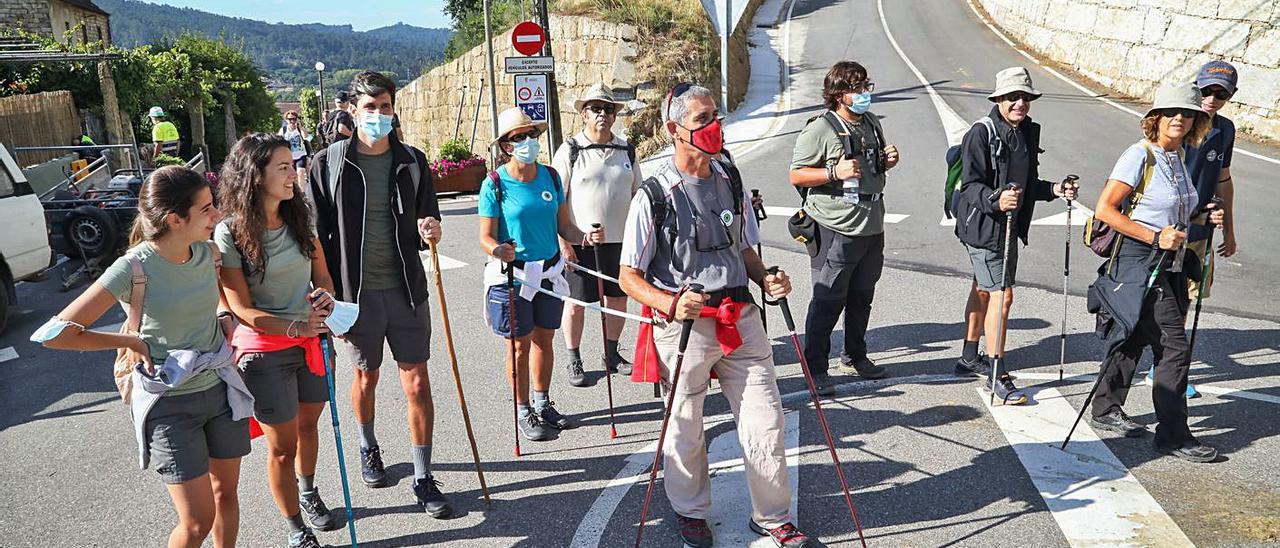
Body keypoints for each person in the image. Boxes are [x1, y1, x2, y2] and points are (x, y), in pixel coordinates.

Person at [620, 82, 817, 548]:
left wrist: (766, 276)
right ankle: (690, 512)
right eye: (702, 120)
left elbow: (745, 246)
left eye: (716, 118)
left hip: (740, 316)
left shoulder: (730, 177)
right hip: (684, 326)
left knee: (766, 418)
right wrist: (669, 303)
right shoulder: (654, 194)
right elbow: (628, 275)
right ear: (675, 130)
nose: (714, 128)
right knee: (685, 424)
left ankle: (772, 517)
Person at [34, 166, 250, 548]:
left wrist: (223, 315)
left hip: (219, 389)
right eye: (207, 209)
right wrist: (134, 343)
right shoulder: (132, 267)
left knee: (227, 497)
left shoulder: (206, 252)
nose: (217, 215)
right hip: (168, 404)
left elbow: (215, 294)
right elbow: (55, 336)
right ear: (174, 219)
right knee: (198, 521)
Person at [307, 70, 452, 517]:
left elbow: (430, 220)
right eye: (369, 108)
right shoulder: (328, 163)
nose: (378, 115)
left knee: (417, 382)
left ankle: (423, 476)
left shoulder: (411, 160)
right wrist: (323, 292)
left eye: (385, 107)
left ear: (393, 109)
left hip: (407, 290)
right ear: (352, 110)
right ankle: (369, 446)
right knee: (365, 377)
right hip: (355, 296)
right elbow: (314, 234)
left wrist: (432, 229)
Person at [1088, 82, 1223, 462]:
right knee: (1173, 346)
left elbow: (1175, 213)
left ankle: (1105, 407)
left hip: (1170, 261)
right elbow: (1105, 210)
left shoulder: (1177, 157)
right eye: (1171, 112)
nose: (1179, 118)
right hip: (1137, 259)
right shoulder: (1139, 155)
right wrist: (1153, 235)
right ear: (1156, 118)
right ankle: (1173, 435)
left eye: (1188, 113)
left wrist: (1201, 214)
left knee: (1134, 334)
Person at [216, 134, 339, 548]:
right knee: (282, 446)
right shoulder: (229, 233)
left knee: (308, 426)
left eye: (292, 165)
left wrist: (324, 295)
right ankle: (295, 528)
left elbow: (322, 275)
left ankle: (307, 493)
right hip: (266, 352)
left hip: (312, 342)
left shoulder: (298, 218)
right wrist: (294, 328)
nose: (293, 174)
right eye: (283, 167)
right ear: (255, 175)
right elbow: (241, 309)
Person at [949, 67, 1078, 404]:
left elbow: (1026, 183)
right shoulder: (982, 133)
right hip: (984, 225)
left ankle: (968, 356)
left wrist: (1054, 189)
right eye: (1012, 97)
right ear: (999, 99)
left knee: (983, 288)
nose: (1020, 102)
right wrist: (995, 199)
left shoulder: (1025, 133)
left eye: (1025, 97)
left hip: (1008, 226)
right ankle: (996, 372)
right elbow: (971, 185)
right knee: (1001, 295)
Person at [479, 106, 604, 441]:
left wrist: (584, 238)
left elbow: (564, 224)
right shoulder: (494, 184)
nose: (527, 141)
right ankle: (522, 410)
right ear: (506, 145)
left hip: (549, 271)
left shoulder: (550, 176)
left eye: (531, 134)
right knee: (519, 345)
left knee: (544, 339)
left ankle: (542, 401)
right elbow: (485, 236)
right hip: (514, 276)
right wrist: (497, 250)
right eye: (518, 137)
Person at [788, 61, 900, 395]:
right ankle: (815, 369)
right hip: (835, 225)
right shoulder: (820, 129)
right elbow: (796, 174)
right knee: (827, 299)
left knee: (862, 295)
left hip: (871, 222)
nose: (865, 94)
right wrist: (833, 173)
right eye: (858, 88)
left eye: (867, 86)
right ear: (839, 95)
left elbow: (872, 162)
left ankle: (854, 355)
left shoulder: (871, 123)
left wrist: (887, 159)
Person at [1142, 61, 1242, 393]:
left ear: (1230, 97)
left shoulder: (1225, 130)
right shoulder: (1178, 125)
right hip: (1167, 232)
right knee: (1159, 299)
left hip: (1200, 231)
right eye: (1207, 91)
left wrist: (1229, 229)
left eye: (1221, 94)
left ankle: (1167, 367)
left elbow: (1224, 181)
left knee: (1185, 300)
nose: (1212, 99)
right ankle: (1159, 363)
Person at [551, 84, 641, 387]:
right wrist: (564, 241)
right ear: (584, 114)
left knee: (617, 299)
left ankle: (612, 354)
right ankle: (574, 357)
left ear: (615, 115)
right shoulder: (571, 149)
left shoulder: (626, 149)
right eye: (595, 109)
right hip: (580, 242)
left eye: (608, 109)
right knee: (576, 302)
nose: (603, 114)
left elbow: (638, 194)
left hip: (621, 241)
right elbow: (555, 198)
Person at [278, 111, 313, 186]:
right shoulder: (283, 130)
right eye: (290, 119)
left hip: (301, 155)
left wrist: (301, 128)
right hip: (289, 157)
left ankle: (302, 193)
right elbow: (278, 142)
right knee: (293, 177)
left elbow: (308, 138)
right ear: (286, 120)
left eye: (294, 119)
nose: (292, 121)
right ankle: (296, 193)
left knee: (300, 172)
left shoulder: (300, 129)